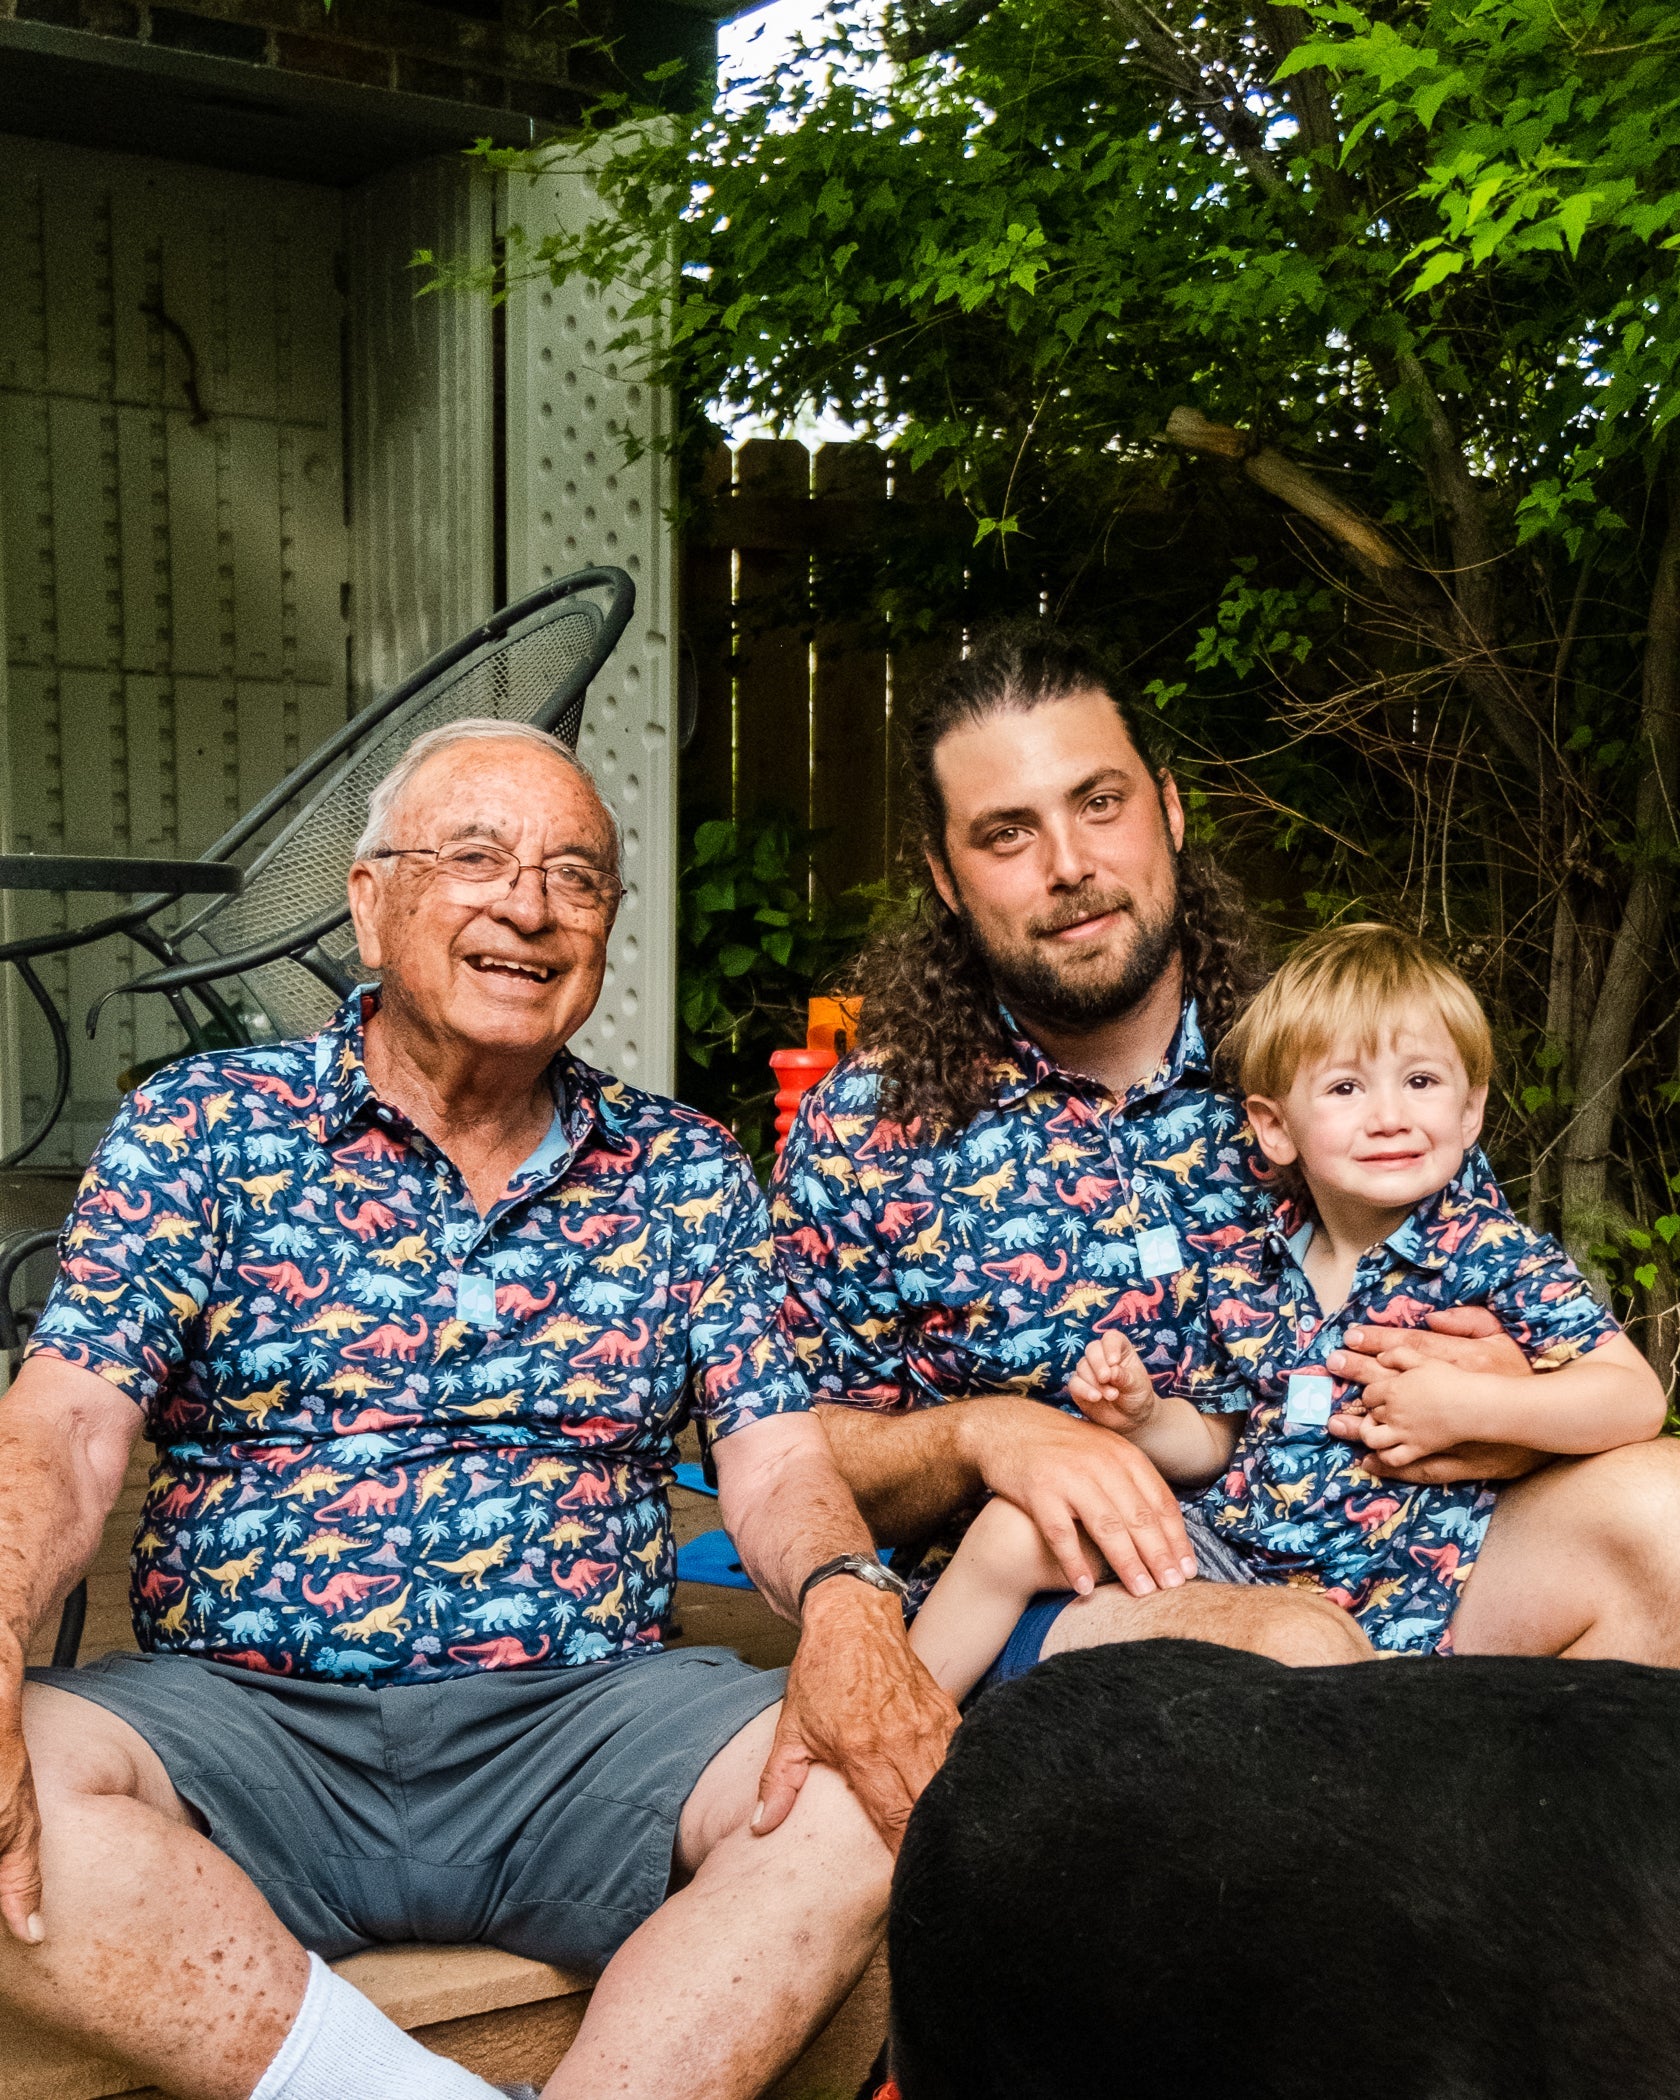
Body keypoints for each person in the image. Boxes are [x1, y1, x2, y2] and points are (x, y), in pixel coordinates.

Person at [0, 719, 956, 2100]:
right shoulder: (204, 1126)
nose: (530, 904)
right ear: (369, 897)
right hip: (242, 1723)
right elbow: (65, 1428)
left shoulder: (681, 1170)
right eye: (476, 857)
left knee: (866, 1811)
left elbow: (772, 1460)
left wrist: (856, 1602)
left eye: (577, 877)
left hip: (586, 1723)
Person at [773, 625, 1680, 1689]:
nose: (1071, 865)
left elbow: (1469, 1291)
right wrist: (988, 1436)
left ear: (1168, 808)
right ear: (944, 876)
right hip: (1063, 1605)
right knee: (1287, 1652)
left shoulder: (1325, 1048)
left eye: (1099, 802)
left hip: (1380, 1557)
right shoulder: (871, 1123)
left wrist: (1501, 1399)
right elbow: (790, 1458)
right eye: (1008, 834)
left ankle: (1531, 1844)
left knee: (1664, 1518)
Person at [906, 923, 1667, 1694]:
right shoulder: (1257, 1263)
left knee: (1307, 1667)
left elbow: (1632, 1397)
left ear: (1470, 1112)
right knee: (1013, 1527)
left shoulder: (1492, 1255)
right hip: (1233, 1554)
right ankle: (895, 1738)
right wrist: (1142, 1420)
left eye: (1422, 1083)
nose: (1390, 1116)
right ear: (1274, 1127)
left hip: (1394, 1595)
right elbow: (1223, 1440)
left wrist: (1476, 1405)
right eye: (1346, 1088)